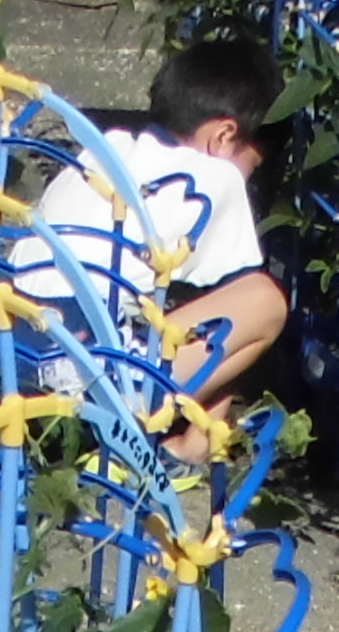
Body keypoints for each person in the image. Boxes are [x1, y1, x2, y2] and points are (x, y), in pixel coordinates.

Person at [18, 36, 294, 412]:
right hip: (82, 363)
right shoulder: (215, 175)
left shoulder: (106, 148)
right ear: (224, 137)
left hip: (3, 339)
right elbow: (238, 295)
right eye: (253, 167)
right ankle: (191, 443)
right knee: (262, 300)